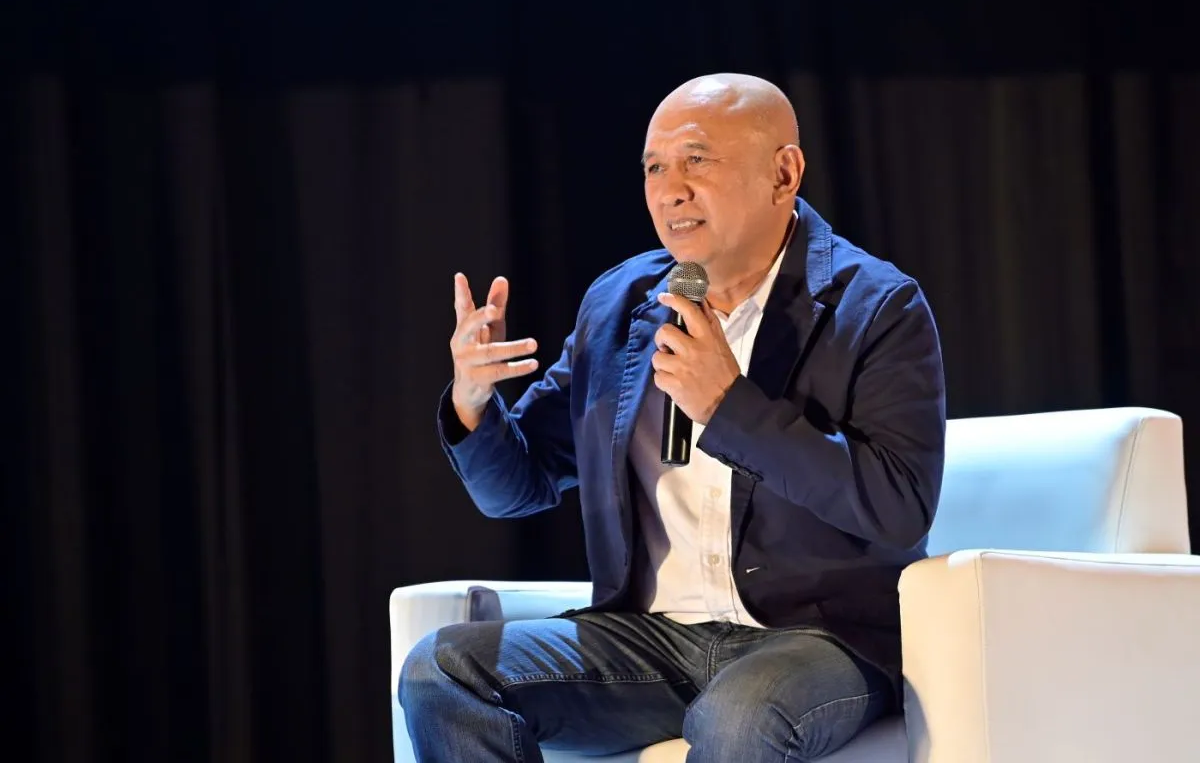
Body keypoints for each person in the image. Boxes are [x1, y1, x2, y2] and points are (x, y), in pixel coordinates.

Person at [399, 73, 946, 762]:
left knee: (739, 716)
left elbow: (898, 508)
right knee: (444, 671)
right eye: (654, 168)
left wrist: (729, 407)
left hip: (823, 640)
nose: (669, 190)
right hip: (651, 640)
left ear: (783, 174)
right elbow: (519, 486)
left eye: (696, 160)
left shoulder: (877, 307)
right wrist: (474, 402)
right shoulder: (620, 305)